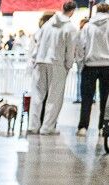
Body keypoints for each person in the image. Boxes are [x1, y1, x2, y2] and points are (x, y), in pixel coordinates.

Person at [30, 3, 80, 135]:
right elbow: (70, 50)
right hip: (57, 63)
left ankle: (33, 126)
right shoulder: (70, 28)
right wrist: (68, 65)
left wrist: (35, 59)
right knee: (54, 97)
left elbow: (38, 42)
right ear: (72, 11)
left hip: (40, 61)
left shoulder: (47, 24)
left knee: (37, 96)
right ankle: (47, 127)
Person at [77, 3, 109, 137]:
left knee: (86, 99)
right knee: (106, 99)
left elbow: (81, 46)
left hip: (90, 66)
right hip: (108, 67)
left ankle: (83, 127)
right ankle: (102, 127)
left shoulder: (87, 27)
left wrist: (81, 63)